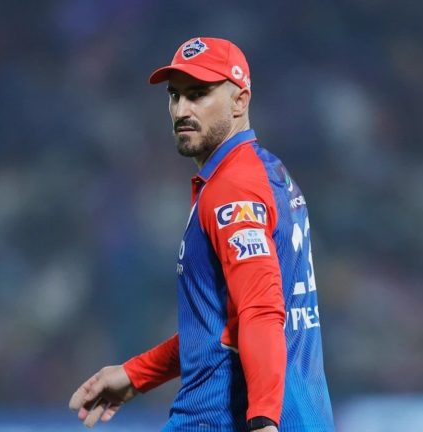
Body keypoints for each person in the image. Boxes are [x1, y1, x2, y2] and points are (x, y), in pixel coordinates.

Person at [69, 37, 334, 431]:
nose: (181, 110)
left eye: (198, 94)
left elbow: (260, 310)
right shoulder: (266, 173)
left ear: (239, 101)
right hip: (302, 415)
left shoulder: (233, 188)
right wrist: (136, 374)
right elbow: (221, 329)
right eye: (175, 96)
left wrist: (263, 421)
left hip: (221, 420)